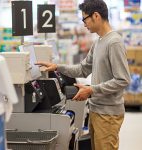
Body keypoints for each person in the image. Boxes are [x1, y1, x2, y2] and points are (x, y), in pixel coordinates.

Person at [35, 0, 131, 149]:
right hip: (97, 110)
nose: (84, 24)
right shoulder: (99, 42)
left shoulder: (114, 42)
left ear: (96, 16)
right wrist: (57, 67)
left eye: (84, 19)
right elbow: (83, 68)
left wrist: (91, 90)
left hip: (108, 114)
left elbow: (122, 79)